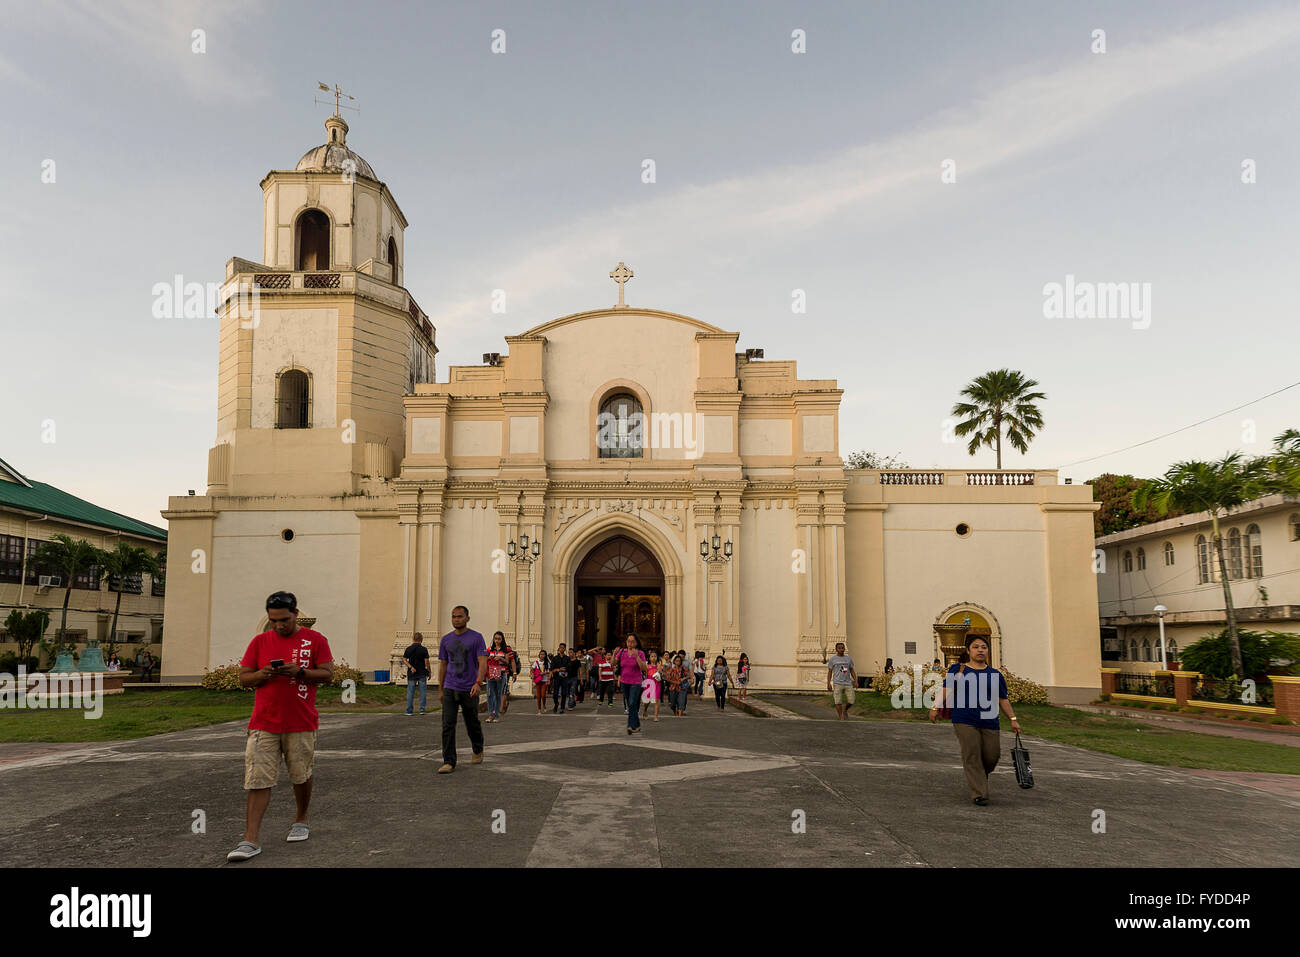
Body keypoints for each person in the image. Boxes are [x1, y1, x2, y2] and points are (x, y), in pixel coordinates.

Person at [226, 591, 334, 862]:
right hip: (263, 723)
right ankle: (250, 839)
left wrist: (300, 672)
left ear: (295, 614)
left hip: (300, 721)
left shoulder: (315, 640)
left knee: (300, 775)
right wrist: (261, 674)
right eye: (273, 620)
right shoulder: (260, 642)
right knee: (258, 779)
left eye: (284, 620)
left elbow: (328, 674)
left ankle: (301, 818)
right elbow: (243, 678)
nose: (278, 625)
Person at [928, 634, 1021, 806]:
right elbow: (947, 690)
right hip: (964, 718)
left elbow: (1003, 699)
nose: (980, 650)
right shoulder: (958, 670)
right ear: (968, 651)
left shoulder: (995, 674)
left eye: (984, 647)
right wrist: (935, 708)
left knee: (992, 756)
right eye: (976, 647)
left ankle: (978, 776)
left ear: (988, 651)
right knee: (972, 753)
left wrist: (1013, 719)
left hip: (989, 720)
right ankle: (979, 794)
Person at [436, 605, 487, 774]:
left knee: (472, 722)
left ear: (467, 618)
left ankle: (478, 748)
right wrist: (440, 689)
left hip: (469, 688)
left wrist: (478, 683)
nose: (456, 619)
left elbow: (482, 662)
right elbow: (443, 665)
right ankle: (449, 761)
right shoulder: (446, 640)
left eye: (459, 616)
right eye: (453, 616)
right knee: (447, 724)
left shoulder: (476, 638)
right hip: (450, 687)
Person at [614, 634, 648, 734]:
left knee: (632, 702)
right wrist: (614, 654)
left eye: (632, 642)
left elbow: (644, 668)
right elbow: (613, 663)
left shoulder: (640, 653)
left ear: (636, 643)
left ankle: (630, 726)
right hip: (624, 681)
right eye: (628, 641)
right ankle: (637, 725)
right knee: (630, 704)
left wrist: (636, 656)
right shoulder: (622, 652)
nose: (630, 644)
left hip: (636, 682)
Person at [485, 631, 512, 722]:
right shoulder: (489, 649)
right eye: (495, 638)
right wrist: (488, 658)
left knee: (498, 694)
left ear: (502, 640)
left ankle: (496, 715)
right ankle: (490, 715)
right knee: (489, 694)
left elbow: (507, 662)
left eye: (499, 639)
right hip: (491, 673)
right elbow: (484, 659)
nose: (497, 641)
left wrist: (500, 658)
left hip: (501, 673)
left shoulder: (505, 650)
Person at [826, 642, 857, 720]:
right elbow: (830, 672)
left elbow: (852, 670)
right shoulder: (833, 659)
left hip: (848, 682)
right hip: (837, 683)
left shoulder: (848, 659)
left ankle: (845, 710)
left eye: (842, 648)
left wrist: (855, 681)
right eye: (839, 648)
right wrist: (828, 683)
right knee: (838, 701)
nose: (841, 649)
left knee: (851, 700)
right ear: (836, 649)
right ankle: (841, 717)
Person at [403, 632, 430, 715]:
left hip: (412, 673)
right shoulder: (424, 649)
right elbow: (426, 662)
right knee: (423, 692)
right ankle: (422, 710)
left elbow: (404, 659)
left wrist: (410, 667)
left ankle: (409, 710)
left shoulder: (408, 649)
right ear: (421, 639)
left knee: (410, 692)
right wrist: (429, 671)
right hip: (422, 672)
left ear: (413, 639)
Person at [550, 643, 572, 714]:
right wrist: (558, 670)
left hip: (565, 678)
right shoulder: (555, 658)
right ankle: (556, 703)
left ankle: (562, 708)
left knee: (564, 693)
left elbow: (569, 668)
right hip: (557, 678)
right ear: (559, 648)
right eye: (560, 647)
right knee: (555, 694)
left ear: (565, 649)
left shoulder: (567, 658)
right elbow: (552, 669)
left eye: (563, 648)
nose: (561, 649)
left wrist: (564, 669)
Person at [500, 640, 520, 714]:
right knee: (499, 690)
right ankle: (503, 705)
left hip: (506, 672)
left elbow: (512, 661)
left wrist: (514, 673)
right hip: (496, 672)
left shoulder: (507, 650)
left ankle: (501, 708)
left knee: (503, 690)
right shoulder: (494, 649)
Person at [641, 651, 661, 722]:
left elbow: (659, 672)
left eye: (655, 656)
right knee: (647, 701)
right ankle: (645, 710)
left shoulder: (658, 665)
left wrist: (659, 667)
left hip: (657, 683)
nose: (653, 658)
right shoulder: (647, 666)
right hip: (649, 683)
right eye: (652, 656)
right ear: (649, 658)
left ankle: (655, 716)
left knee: (656, 700)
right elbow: (646, 676)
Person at [531, 649, 551, 715]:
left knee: (543, 695)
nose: (542, 655)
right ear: (539, 655)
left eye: (543, 654)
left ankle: (544, 705)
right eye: (541, 654)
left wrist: (545, 674)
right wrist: (532, 675)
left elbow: (549, 671)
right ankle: (539, 709)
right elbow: (532, 670)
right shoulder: (536, 662)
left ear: (545, 655)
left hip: (544, 680)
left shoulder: (547, 663)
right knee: (538, 696)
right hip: (538, 680)